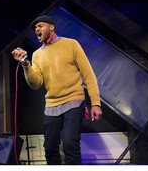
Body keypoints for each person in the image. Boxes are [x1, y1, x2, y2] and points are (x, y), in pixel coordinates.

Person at [12, 15, 102, 165]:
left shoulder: (71, 44)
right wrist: (25, 64)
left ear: (51, 27)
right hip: (52, 105)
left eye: (40, 26)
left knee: (69, 143)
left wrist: (96, 103)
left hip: (74, 99)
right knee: (49, 147)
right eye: (35, 28)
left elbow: (89, 75)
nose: (37, 30)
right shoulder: (37, 55)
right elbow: (36, 84)